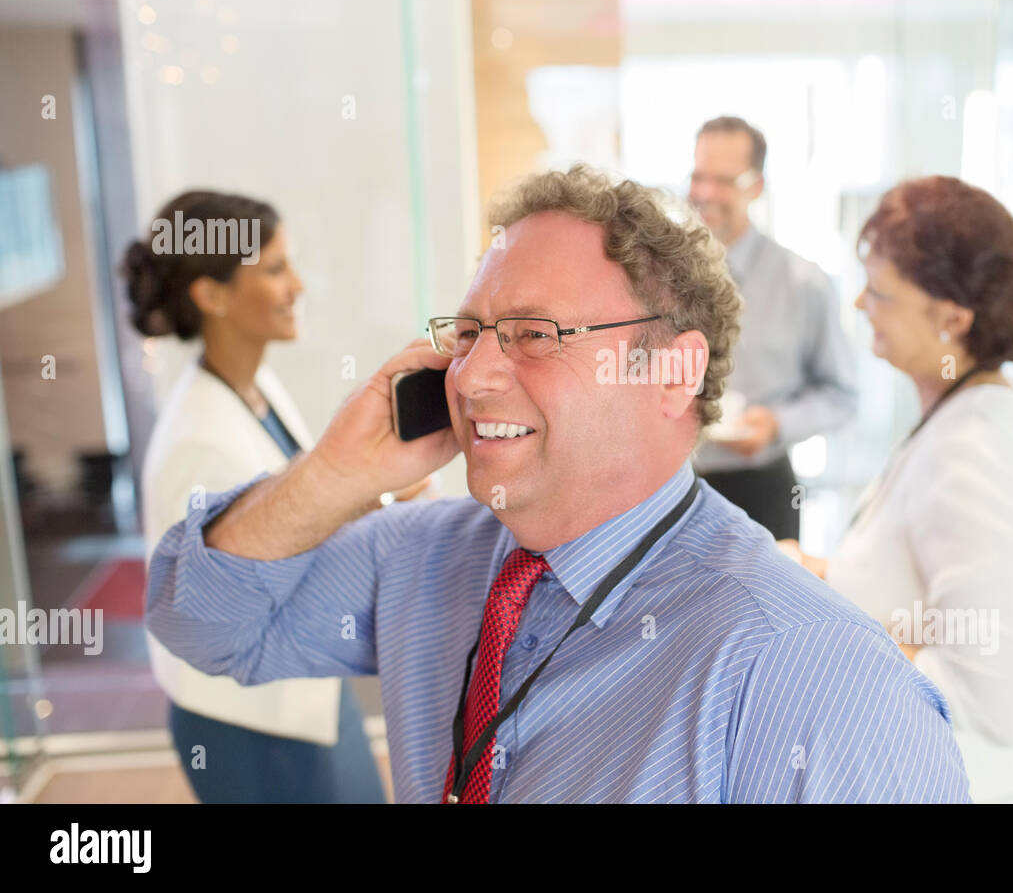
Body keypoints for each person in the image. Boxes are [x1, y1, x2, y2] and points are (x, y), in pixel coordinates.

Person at [145, 165, 970, 803]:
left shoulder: (815, 674)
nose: (471, 376)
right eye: (468, 333)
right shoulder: (422, 556)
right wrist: (334, 476)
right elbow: (202, 622)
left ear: (673, 371)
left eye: (535, 335)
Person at [792, 175, 1013, 803]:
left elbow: (996, 693)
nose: (862, 303)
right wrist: (819, 575)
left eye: (883, 293)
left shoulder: (974, 447)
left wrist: (830, 621)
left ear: (952, 318)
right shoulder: (970, 410)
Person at [124, 190, 389, 803]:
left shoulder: (252, 386)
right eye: (274, 269)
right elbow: (244, 588)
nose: (297, 284)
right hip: (248, 723)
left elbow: (294, 513)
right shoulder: (199, 446)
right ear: (211, 296)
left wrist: (372, 496)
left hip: (298, 701)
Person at [687, 116, 856, 540]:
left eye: (723, 180)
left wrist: (776, 423)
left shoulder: (803, 283)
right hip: (674, 487)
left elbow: (842, 395)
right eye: (698, 177)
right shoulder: (661, 276)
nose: (706, 193)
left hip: (760, 489)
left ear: (756, 186)